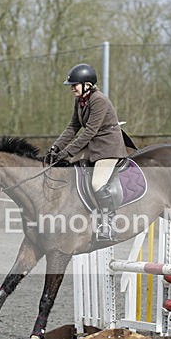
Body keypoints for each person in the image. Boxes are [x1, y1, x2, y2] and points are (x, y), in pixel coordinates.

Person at [44, 63, 128, 241]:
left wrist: (67, 152)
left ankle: (107, 224)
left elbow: (89, 131)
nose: (72, 88)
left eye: (74, 85)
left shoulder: (99, 100)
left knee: (97, 183)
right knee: (64, 167)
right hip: (94, 144)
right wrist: (56, 147)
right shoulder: (80, 100)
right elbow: (73, 126)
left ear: (87, 85)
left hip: (108, 146)